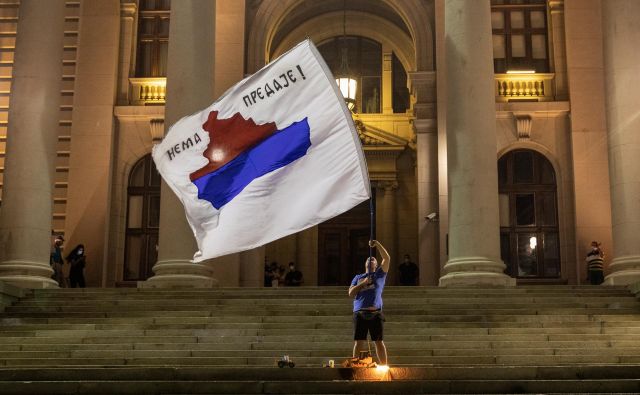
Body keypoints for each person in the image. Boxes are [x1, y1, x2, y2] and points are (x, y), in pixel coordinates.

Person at [348, 239, 390, 366]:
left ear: (376, 265)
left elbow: (387, 258)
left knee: (378, 341)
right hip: (360, 312)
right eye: (368, 259)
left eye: (373, 259)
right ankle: (355, 367)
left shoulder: (380, 274)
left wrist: (377, 244)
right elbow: (351, 293)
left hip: (375, 312)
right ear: (365, 264)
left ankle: (384, 367)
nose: (370, 259)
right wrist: (363, 283)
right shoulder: (358, 277)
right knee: (359, 341)